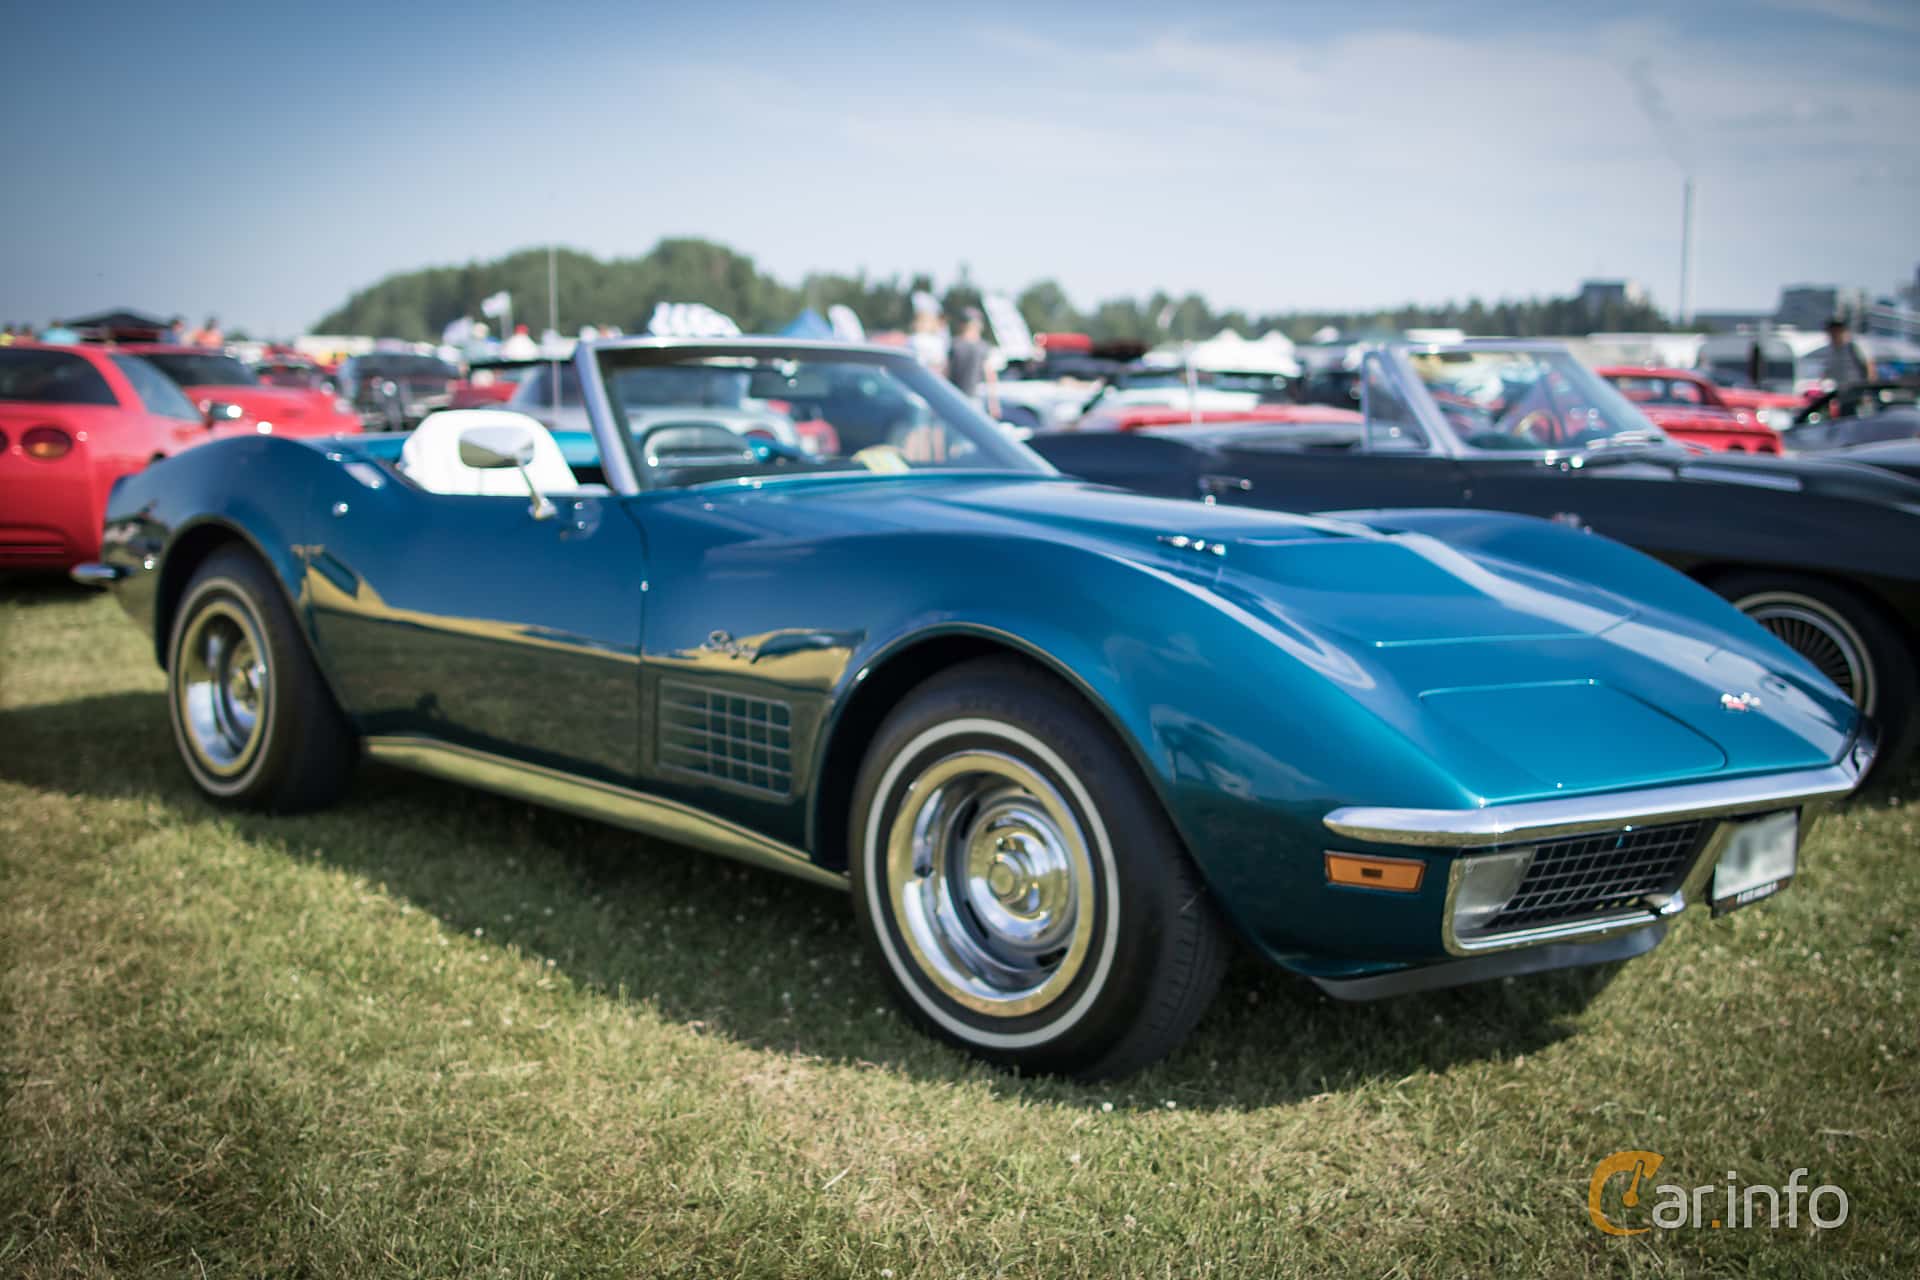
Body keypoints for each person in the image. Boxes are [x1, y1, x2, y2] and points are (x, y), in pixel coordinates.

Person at [947, 307, 1000, 418]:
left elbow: (990, 375)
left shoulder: (957, 344)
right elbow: (990, 375)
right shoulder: (957, 345)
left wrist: (993, 403)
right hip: (959, 397)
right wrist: (994, 404)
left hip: (967, 397)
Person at [1821, 316, 1874, 386]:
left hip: (1856, 389)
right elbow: (1827, 372)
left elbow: (1869, 366)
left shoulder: (1853, 347)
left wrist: (1868, 389)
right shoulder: (1829, 351)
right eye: (1832, 331)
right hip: (1838, 391)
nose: (1834, 334)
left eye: (1837, 331)